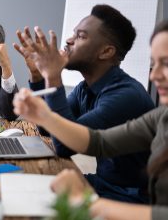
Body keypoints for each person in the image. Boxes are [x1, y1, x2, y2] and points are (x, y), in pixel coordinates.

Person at [13, 20, 168, 220]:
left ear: (106, 52)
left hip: (128, 199)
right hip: (103, 186)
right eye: (153, 64)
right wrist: (38, 79)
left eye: (81, 36)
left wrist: (53, 77)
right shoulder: (160, 116)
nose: (154, 75)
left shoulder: (127, 96)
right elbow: (92, 140)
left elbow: (64, 147)